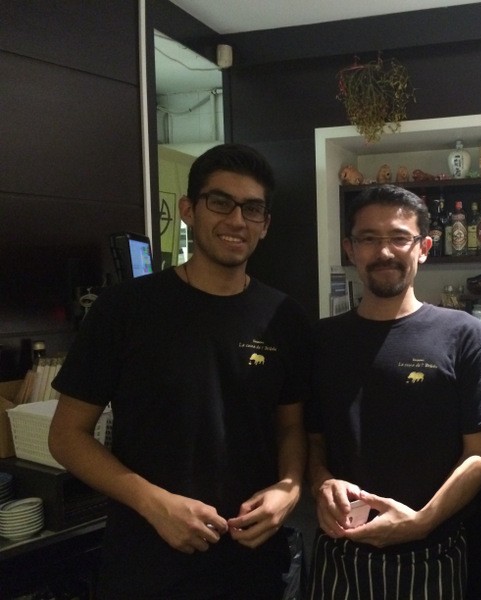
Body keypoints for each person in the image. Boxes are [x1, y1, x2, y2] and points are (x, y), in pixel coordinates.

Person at [48, 144, 309, 599]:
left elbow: (290, 427)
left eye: (252, 209)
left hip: (253, 565)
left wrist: (289, 489)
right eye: (220, 202)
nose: (237, 220)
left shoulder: (284, 317)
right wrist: (154, 504)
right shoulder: (125, 309)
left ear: (265, 225)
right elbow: (67, 436)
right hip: (148, 564)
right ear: (189, 210)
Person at [305, 184, 481, 599]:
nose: (384, 252)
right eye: (368, 239)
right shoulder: (322, 340)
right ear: (350, 249)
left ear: (423, 248)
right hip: (340, 554)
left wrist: (422, 522)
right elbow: (314, 443)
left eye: (398, 238)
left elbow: (478, 454)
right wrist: (322, 484)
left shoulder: (464, 334)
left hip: (432, 555)